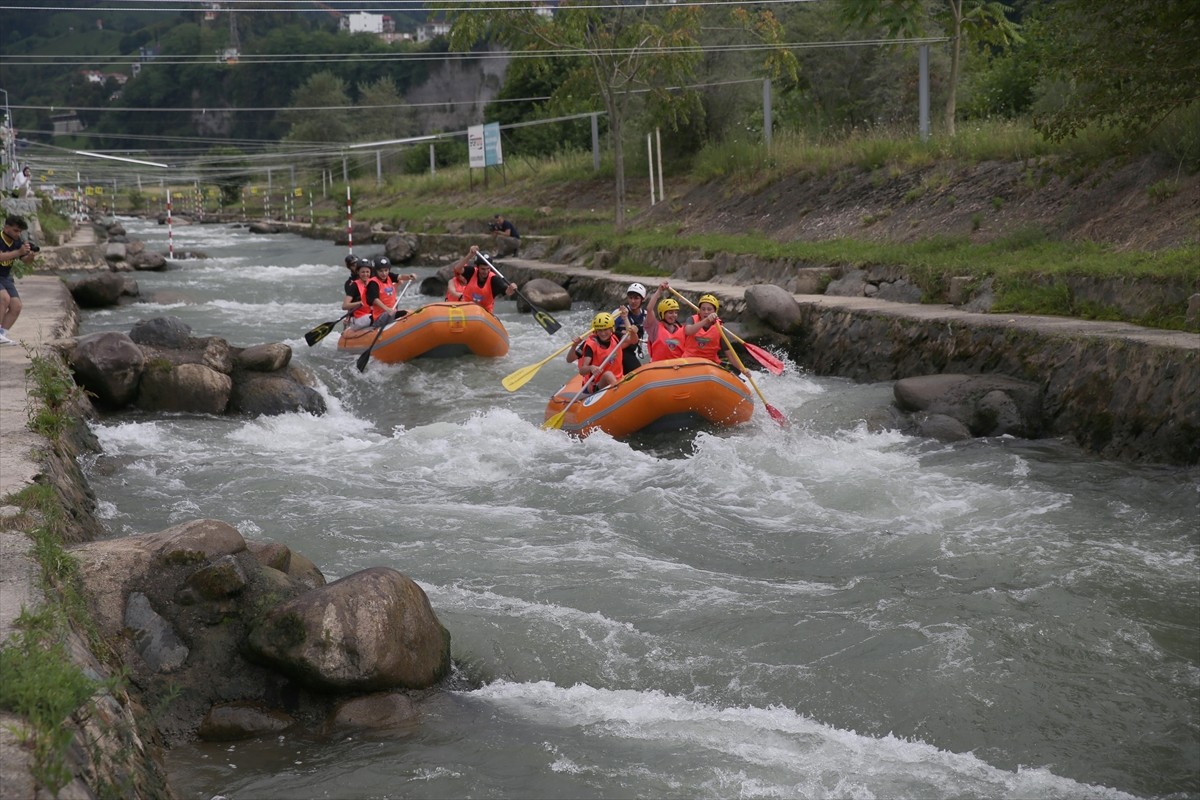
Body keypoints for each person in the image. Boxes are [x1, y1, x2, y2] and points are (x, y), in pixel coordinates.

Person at [682, 293, 746, 375]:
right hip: (690, 361)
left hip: (710, 364)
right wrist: (706, 320)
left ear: (715, 312)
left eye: (709, 309)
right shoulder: (691, 320)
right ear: (699, 311)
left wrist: (743, 369)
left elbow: (729, 355)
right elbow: (688, 331)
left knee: (736, 372)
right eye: (703, 309)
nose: (706, 312)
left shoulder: (719, 328)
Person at [575, 312, 638, 393]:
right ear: (596, 331)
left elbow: (633, 340)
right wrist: (591, 368)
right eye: (600, 330)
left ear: (611, 329)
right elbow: (582, 370)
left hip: (618, 379)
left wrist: (633, 333)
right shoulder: (591, 345)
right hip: (597, 384)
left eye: (605, 329)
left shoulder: (616, 336)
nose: (603, 333)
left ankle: (618, 388)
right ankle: (619, 392)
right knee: (608, 374)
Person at [0, 215, 37, 346]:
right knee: (4, 298)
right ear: (6, 228)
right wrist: (18, 252)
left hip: (4, 277)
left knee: (16, 306)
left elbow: (26, 261)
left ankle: (2, 335)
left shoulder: (17, 242)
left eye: (20, 231)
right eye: (15, 230)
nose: (18, 234)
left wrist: (30, 256)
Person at [365, 257, 417, 322]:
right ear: (376, 271)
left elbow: (400, 276)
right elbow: (375, 300)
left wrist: (409, 276)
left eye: (386, 270)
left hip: (392, 312)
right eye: (381, 271)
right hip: (380, 316)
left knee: (410, 313)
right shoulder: (373, 283)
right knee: (405, 313)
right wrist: (387, 309)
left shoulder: (389, 276)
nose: (384, 273)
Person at [644, 282, 686, 362]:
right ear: (662, 314)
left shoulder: (682, 329)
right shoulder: (654, 328)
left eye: (676, 312)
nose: (674, 315)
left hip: (678, 365)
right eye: (670, 312)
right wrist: (659, 291)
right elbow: (649, 309)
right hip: (660, 366)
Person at [614, 282, 648, 374]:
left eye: (636, 298)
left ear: (642, 299)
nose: (633, 301)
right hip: (617, 350)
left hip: (630, 350)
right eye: (630, 298)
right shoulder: (618, 313)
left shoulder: (645, 315)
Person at [342, 260, 376, 329]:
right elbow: (344, 306)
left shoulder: (373, 283)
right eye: (363, 272)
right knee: (377, 317)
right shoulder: (354, 286)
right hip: (359, 318)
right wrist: (358, 303)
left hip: (370, 314)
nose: (365, 274)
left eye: (367, 272)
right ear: (358, 272)